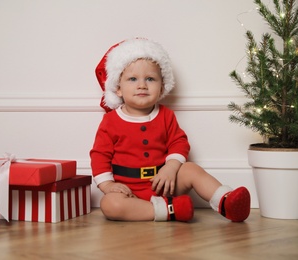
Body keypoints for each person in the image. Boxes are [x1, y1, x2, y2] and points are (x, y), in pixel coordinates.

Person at [90, 38, 250, 222]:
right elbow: (100, 155)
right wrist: (108, 185)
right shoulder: (111, 121)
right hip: (129, 192)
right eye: (132, 79)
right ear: (117, 88)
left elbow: (179, 142)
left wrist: (171, 168)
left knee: (191, 169)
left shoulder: (166, 115)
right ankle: (169, 210)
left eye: (150, 79)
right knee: (109, 205)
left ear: (162, 87)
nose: (142, 85)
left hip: (165, 183)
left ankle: (226, 201)